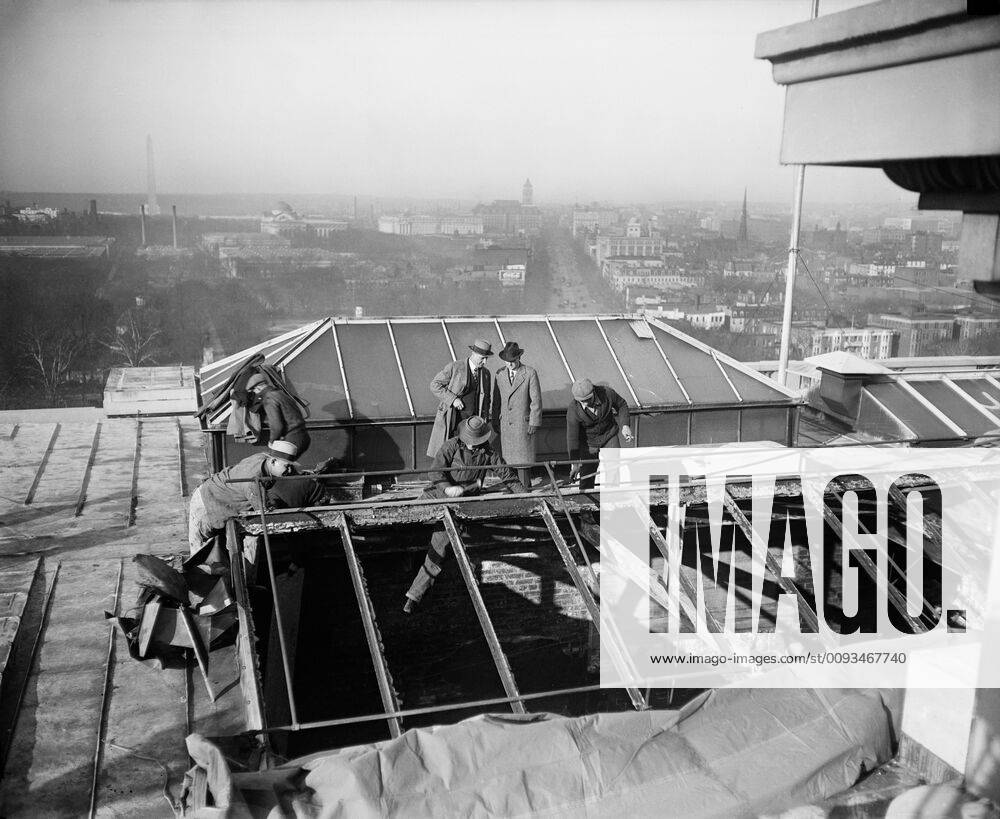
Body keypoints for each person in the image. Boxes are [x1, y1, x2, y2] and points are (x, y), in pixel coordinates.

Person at [404, 416, 525, 612]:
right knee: (406, 517)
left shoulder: (488, 453)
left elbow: (508, 477)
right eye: (470, 440)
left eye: (476, 442)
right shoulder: (450, 446)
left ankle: (414, 596)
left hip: (462, 503)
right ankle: (407, 559)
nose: (472, 445)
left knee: (439, 546)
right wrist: (447, 488)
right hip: (439, 494)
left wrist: (527, 500)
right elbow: (435, 473)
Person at [187, 440, 301, 554]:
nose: (290, 470)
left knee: (218, 551)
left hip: (220, 497)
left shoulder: (263, 458)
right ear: (273, 461)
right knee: (200, 553)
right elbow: (264, 514)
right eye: (287, 466)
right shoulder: (252, 481)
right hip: (206, 502)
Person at [426, 339, 495, 458]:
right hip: (453, 419)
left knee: (470, 456)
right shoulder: (455, 367)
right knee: (449, 452)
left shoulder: (486, 373)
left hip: (472, 424)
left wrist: (484, 418)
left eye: (486, 358)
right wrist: (453, 399)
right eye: (482, 358)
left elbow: (487, 399)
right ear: (473, 354)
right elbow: (435, 385)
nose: (485, 362)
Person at [566, 378, 633, 491]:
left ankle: (612, 497)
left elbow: (622, 405)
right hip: (588, 441)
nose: (585, 404)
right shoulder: (573, 411)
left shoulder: (607, 393)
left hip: (609, 434)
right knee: (588, 470)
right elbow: (572, 438)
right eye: (582, 401)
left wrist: (625, 426)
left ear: (594, 392)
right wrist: (575, 464)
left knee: (613, 466)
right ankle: (586, 500)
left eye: (588, 399)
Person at [493, 340, 542, 489]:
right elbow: (496, 400)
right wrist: (495, 420)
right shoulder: (499, 374)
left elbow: (536, 400)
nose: (510, 364)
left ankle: (524, 487)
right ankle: (512, 487)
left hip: (523, 423)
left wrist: (534, 422)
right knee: (508, 459)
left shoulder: (529, 373)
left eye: (512, 361)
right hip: (506, 423)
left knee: (523, 459)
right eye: (507, 361)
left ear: (519, 358)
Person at [247, 372, 311, 459]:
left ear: (258, 387)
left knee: (274, 465)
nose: (255, 393)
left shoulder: (269, 398)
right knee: (285, 467)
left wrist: (272, 441)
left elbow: (277, 425)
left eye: (254, 390)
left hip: (292, 438)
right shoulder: (280, 393)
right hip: (302, 436)